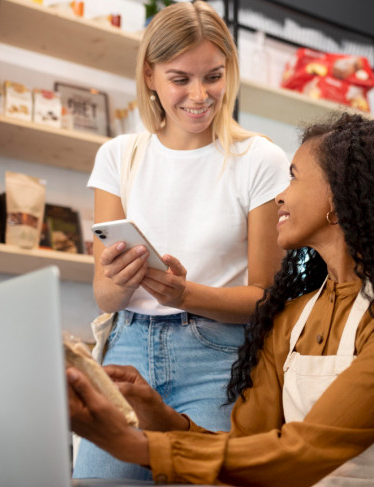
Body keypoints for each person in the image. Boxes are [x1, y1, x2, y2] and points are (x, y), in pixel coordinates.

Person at [68, 112, 374, 485]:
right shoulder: (291, 318)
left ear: (337, 198)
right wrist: (156, 412)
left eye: (292, 177)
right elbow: (249, 444)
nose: (280, 196)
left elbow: (303, 454)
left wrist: (132, 445)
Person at [77, 1, 290, 480]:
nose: (199, 95)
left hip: (218, 357)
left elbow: (266, 299)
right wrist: (121, 280)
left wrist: (185, 294)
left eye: (213, 76)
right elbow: (103, 294)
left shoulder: (259, 159)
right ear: (150, 76)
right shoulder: (118, 157)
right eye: (180, 79)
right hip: (127, 348)